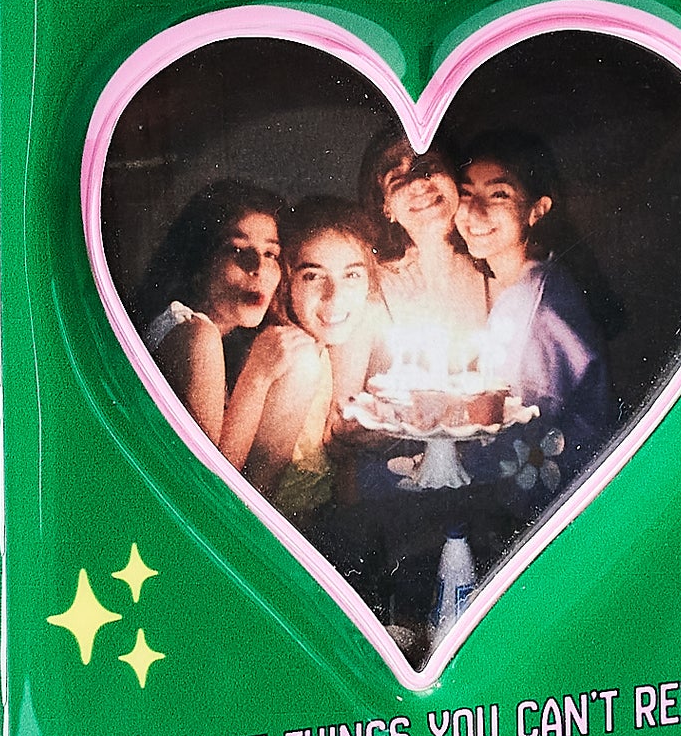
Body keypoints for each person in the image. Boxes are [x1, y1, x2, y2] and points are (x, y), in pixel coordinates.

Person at [454, 130, 613, 504]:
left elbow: (514, 447)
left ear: (537, 210)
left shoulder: (536, 305)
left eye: (499, 194)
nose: (475, 211)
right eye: (466, 193)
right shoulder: (526, 282)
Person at [221, 198, 380, 526]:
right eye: (312, 276)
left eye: (351, 275)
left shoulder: (327, 345)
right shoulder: (299, 360)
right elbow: (253, 502)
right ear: (287, 283)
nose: (335, 295)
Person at [131, 180, 283, 447]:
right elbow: (206, 471)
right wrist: (257, 378)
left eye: (270, 253)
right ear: (199, 263)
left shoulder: (216, 337)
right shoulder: (196, 334)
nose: (258, 267)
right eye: (237, 250)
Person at [357, 129, 489, 337]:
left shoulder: (494, 266)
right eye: (396, 178)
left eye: (429, 166)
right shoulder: (374, 287)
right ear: (386, 208)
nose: (417, 182)